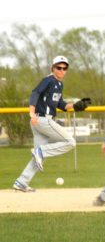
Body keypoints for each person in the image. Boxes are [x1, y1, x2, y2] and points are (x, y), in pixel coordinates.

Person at [13, 56, 90, 192]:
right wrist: (31, 113)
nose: (61, 70)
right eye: (58, 67)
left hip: (40, 122)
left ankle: (21, 182)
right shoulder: (48, 80)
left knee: (38, 159)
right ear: (52, 68)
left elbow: (61, 104)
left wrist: (76, 106)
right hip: (43, 120)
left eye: (64, 68)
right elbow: (35, 93)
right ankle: (40, 152)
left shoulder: (59, 84)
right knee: (70, 142)